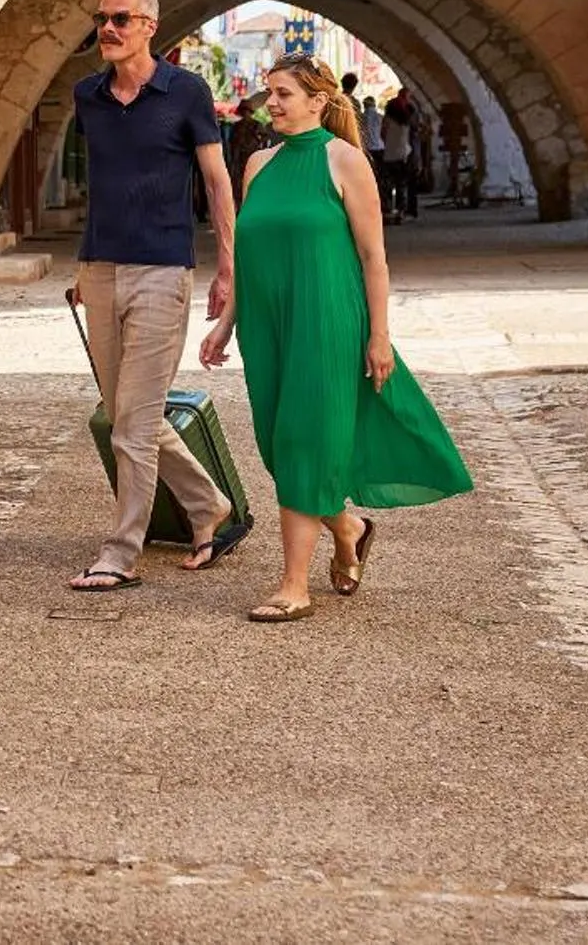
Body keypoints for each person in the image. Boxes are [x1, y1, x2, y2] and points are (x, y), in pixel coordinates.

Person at [198, 56, 473, 623]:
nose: (271, 103)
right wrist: (227, 323)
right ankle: (349, 527)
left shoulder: (345, 160)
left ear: (318, 101)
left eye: (284, 94)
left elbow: (374, 258)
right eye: (269, 93)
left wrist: (379, 335)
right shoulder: (257, 164)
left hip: (327, 322)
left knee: (303, 442)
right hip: (266, 328)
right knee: (278, 446)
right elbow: (249, 256)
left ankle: (293, 585)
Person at [66, 0, 253, 592]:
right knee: (128, 414)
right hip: (100, 270)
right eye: (101, 18)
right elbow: (104, 187)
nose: (108, 28)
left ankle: (121, 550)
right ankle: (208, 506)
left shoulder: (188, 92)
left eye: (121, 18)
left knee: (133, 425)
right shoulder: (87, 96)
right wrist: (82, 268)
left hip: (162, 271)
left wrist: (226, 268)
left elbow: (217, 184)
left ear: (150, 25)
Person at [380, 94, 417, 221]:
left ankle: (389, 209)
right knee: (402, 184)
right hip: (404, 155)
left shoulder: (387, 120)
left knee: (388, 184)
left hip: (389, 155)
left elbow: (383, 135)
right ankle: (401, 211)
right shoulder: (407, 121)